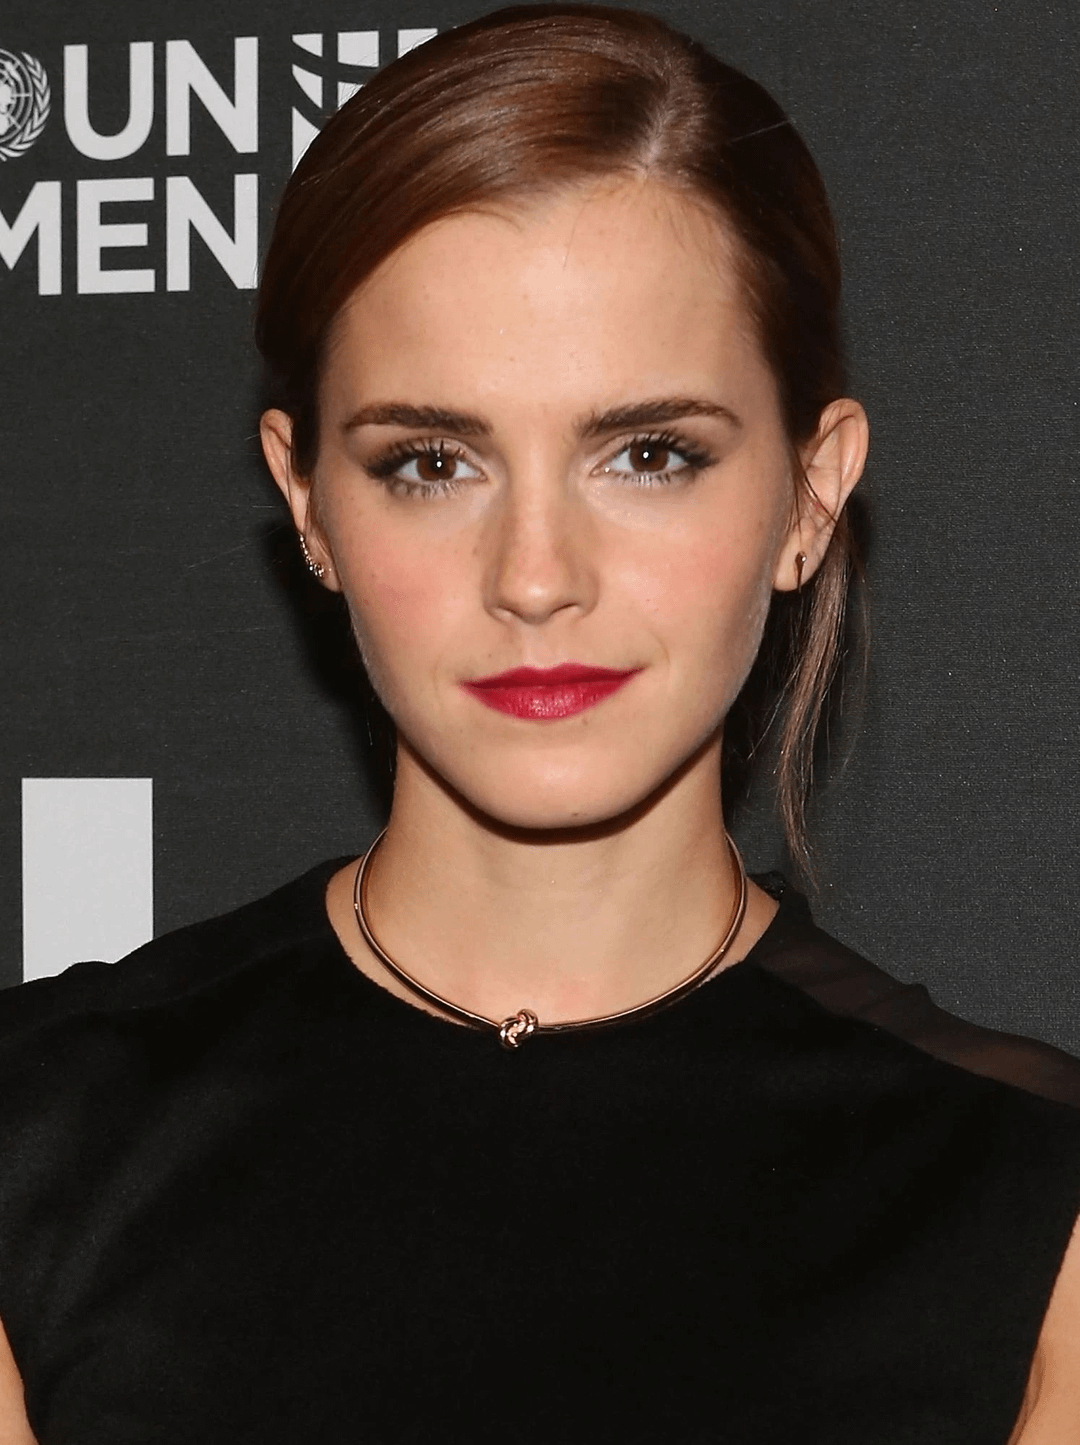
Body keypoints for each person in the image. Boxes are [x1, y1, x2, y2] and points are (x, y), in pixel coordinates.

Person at [1, 6, 1078, 1441]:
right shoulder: (42, 1137)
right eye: (431, 463)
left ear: (810, 495)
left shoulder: (1030, 1198)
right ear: (308, 501)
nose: (534, 577)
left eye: (650, 454)